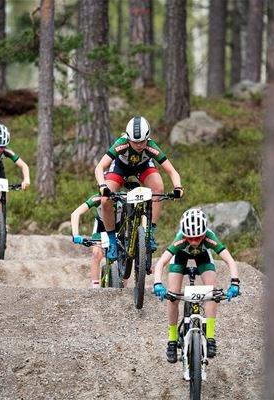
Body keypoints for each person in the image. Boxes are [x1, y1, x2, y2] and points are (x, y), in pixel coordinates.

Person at [152, 208, 241, 363]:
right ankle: (172, 340)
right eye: (190, 238)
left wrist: (235, 283)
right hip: (180, 257)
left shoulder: (209, 237)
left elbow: (230, 260)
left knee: (212, 293)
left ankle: (211, 337)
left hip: (203, 257)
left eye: (197, 238)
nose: (193, 242)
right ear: (184, 234)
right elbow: (161, 263)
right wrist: (157, 283)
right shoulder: (180, 239)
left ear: (204, 233)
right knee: (173, 296)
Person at [94, 116, 183, 261]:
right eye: (135, 142)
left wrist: (178, 187)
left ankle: (150, 233)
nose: (139, 145)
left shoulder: (151, 146)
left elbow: (172, 171)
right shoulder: (120, 144)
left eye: (142, 141)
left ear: (148, 138)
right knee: (105, 200)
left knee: (158, 189)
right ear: (128, 138)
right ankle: (111, 241)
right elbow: (100, 167)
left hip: (143, 167)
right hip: (120, 168)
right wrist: (102, 186)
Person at [70, 193, 124, 288]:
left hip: (120, 226)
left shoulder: (123, 196)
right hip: (101, 227)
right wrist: (76, 234)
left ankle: (123, 287)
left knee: (125, 257)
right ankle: (95, 287)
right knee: (96, 253)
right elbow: (75, 213)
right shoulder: (96, 198)